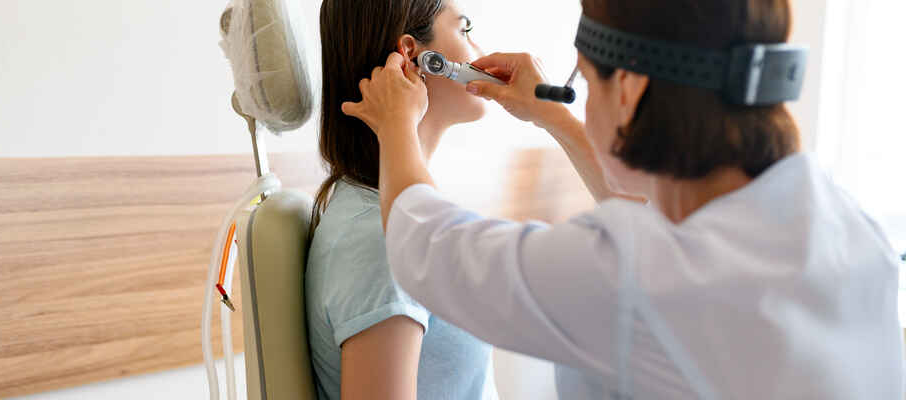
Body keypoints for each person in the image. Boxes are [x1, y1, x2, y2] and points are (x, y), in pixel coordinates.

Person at [339, 0, 905, 398]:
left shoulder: (638, 271)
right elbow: (658, 223)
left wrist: (396, 125)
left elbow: (424, 248)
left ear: (630, 90)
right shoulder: (848, 227)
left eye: (584, 81)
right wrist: (553, 114)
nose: (580, 103)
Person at [305, 1, 498, 399]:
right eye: (465, 29)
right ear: (413, 56)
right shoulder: (380, 242)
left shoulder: (389, 220)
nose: (482, 50)